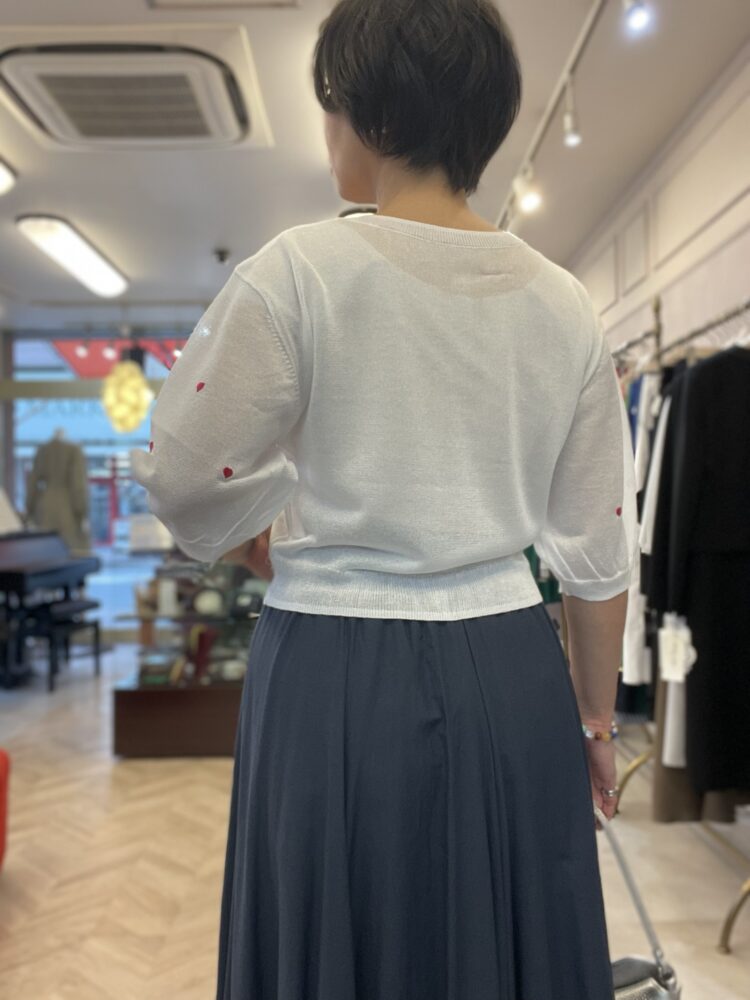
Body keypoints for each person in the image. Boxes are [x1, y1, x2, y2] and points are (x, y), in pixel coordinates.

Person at [130, 1, 638, 996]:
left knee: (333, 934)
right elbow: (597, 550)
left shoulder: (297, 273)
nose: (328, 130)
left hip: (329, 666)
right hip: (509, 667)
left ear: (373, 115)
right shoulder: (564, 303)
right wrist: (593, 723)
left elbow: (186, 476)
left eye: (331, 105)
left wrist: (271, 521)